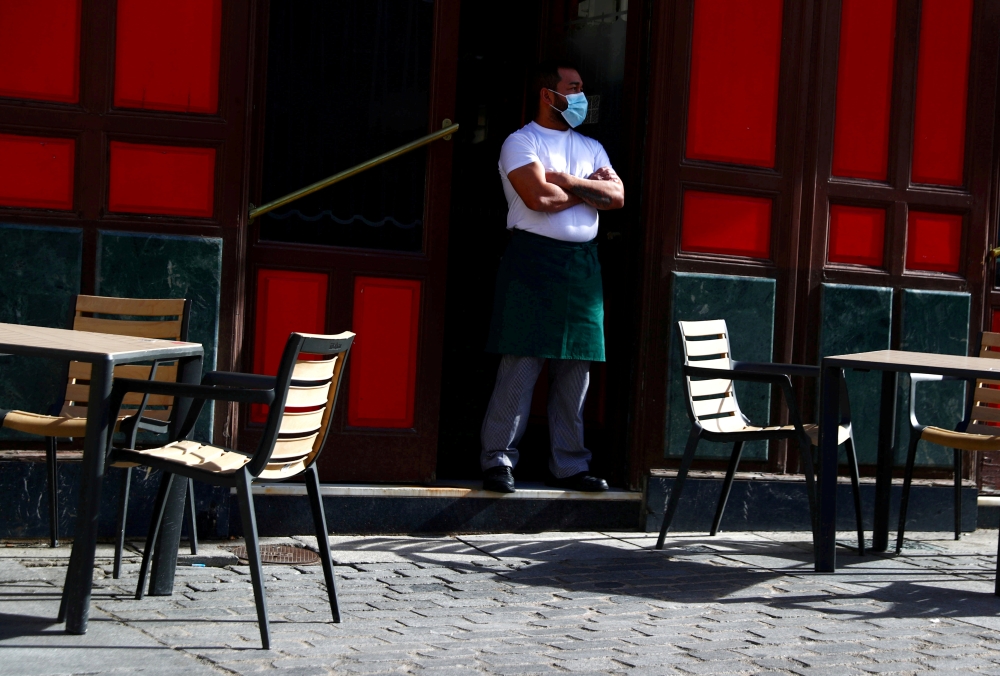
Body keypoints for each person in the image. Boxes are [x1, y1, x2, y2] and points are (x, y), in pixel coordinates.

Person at [480, 59, 625, 493]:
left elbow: (615, 196)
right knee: (521, 365)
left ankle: (570, 465)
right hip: (532, 263)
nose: (581, 97)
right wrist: (584, 188)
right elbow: (539, 197)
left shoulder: (592, 146)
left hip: (582, 268)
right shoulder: (519, 142)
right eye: (574, 88)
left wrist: (564, 179)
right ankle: (498, 460)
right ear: (549, 94)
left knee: (576, 371)